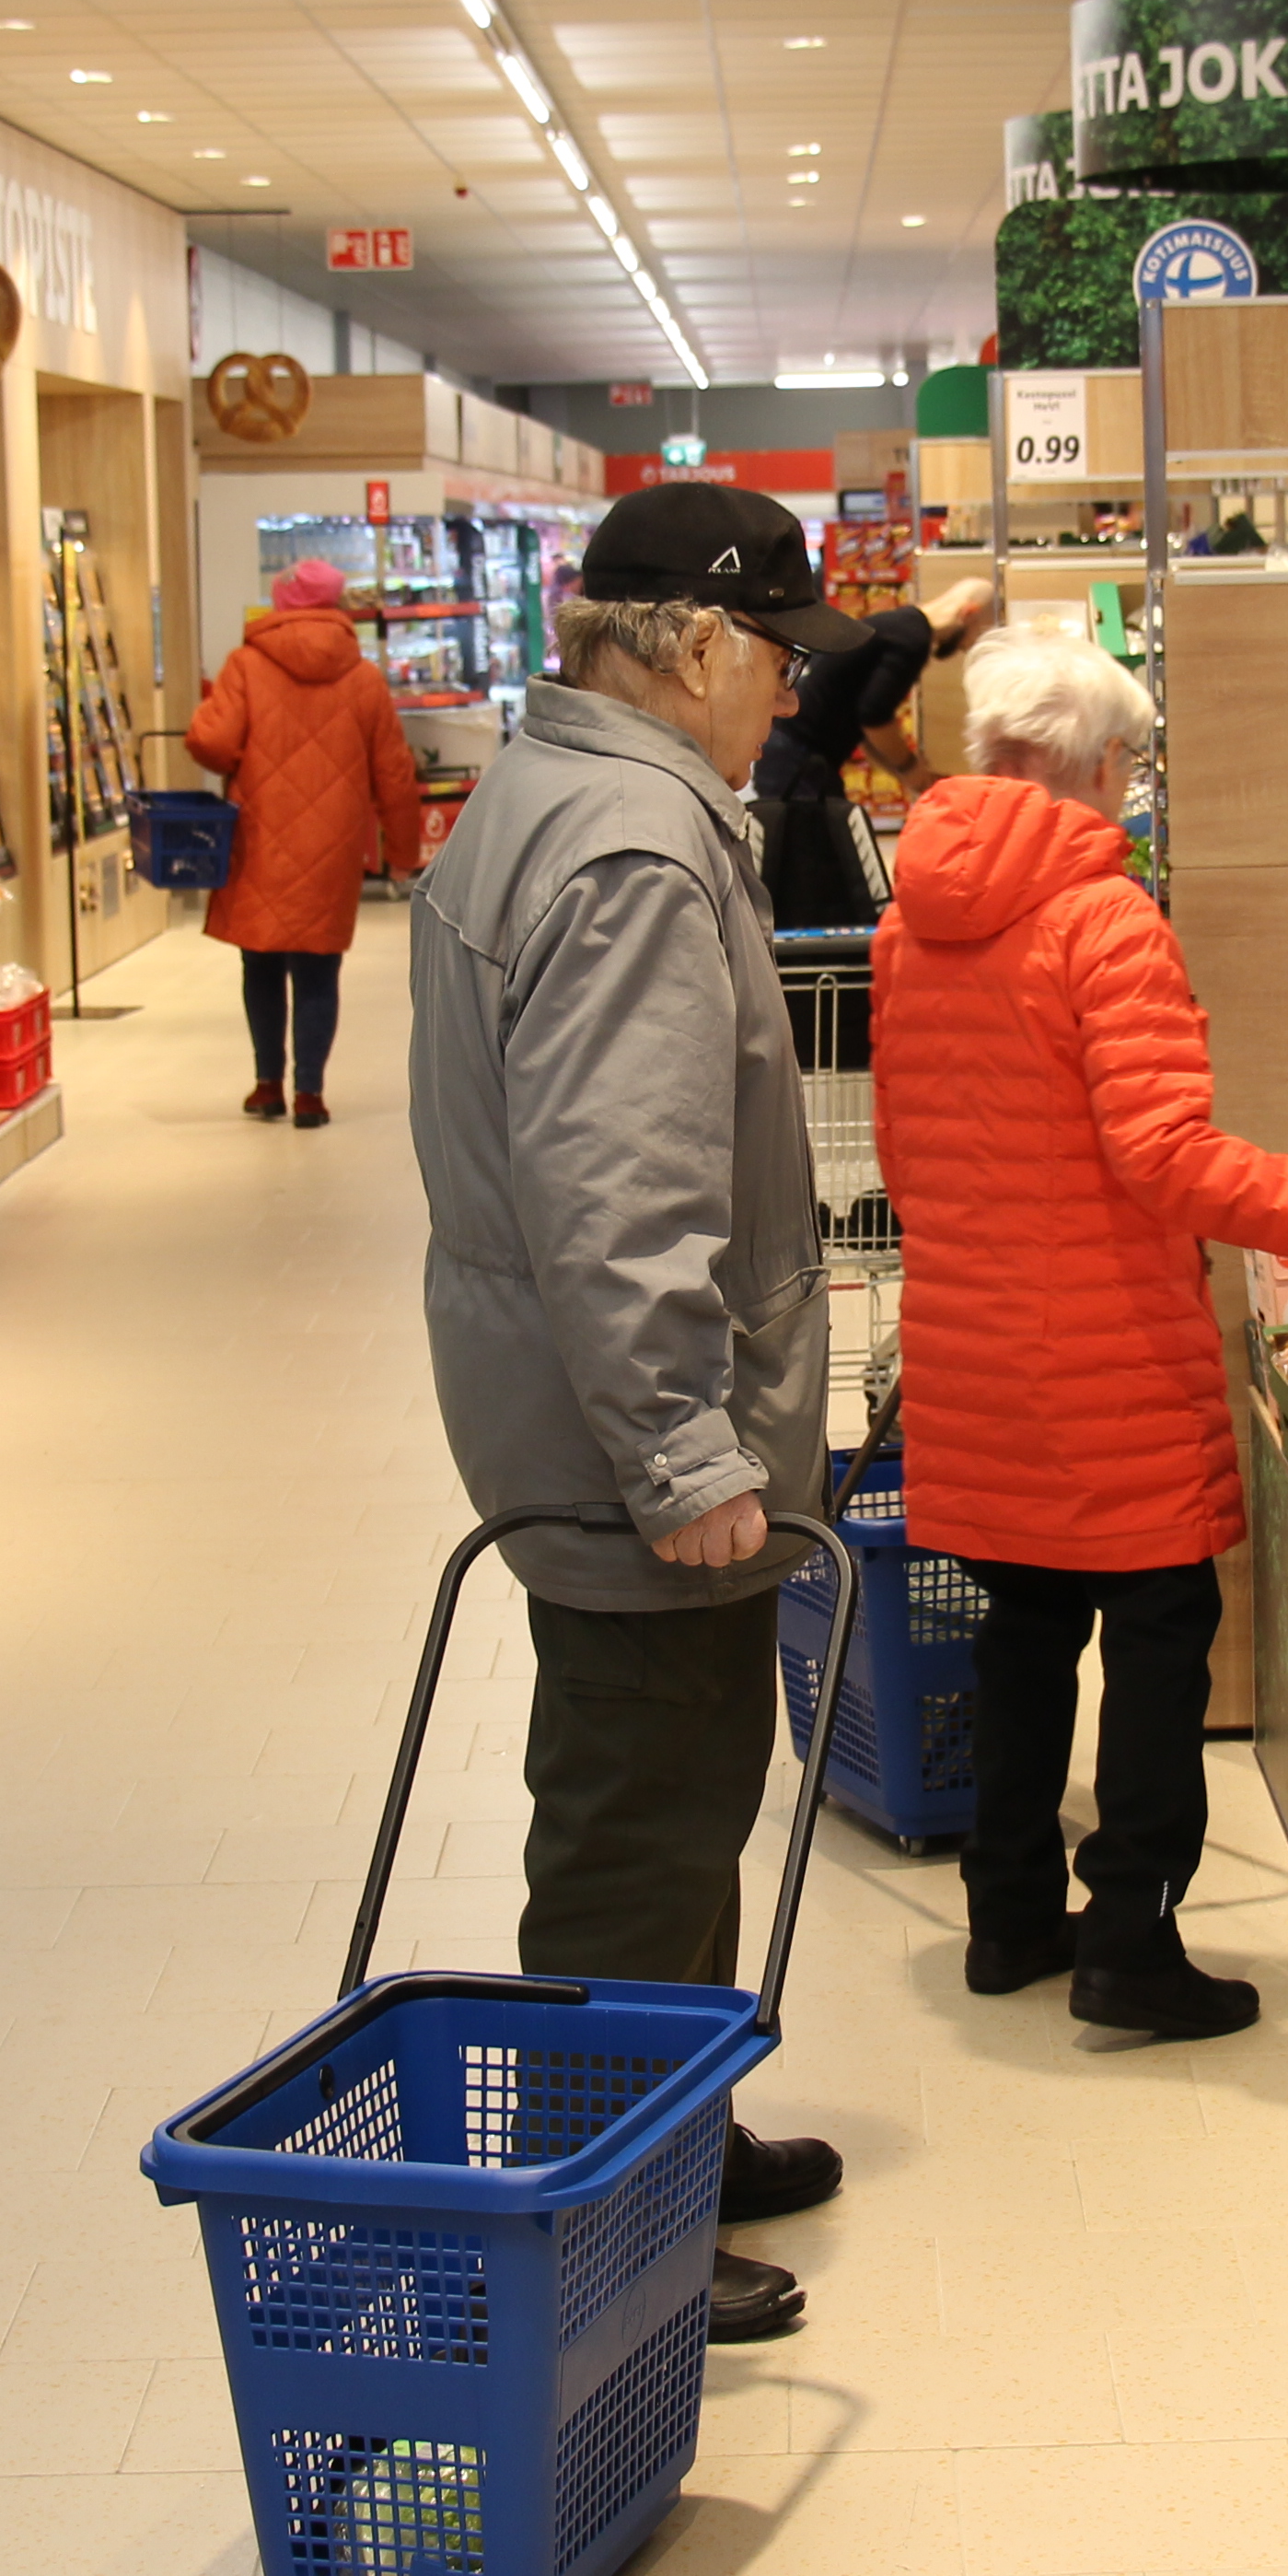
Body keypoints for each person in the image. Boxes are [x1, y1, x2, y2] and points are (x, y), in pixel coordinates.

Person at [407, 479, 868, 2345]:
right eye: (775, 656)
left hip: (578, 1418)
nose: (790, 697)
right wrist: (686, 1451)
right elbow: (622, 1193)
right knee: (630, 1834)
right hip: (631, 1450)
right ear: (692, 649)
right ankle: (607, 2234)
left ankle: (685, 2124)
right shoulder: (635, 854)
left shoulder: (565, 793)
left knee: (681, 1802)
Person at [869, 631, 1288, 2038]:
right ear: (1101, 763)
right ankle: (1134, 1946)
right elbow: (1168, 1159)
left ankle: (1008, 1920)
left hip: (973, 1354)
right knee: (1161, 1645)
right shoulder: (1106, 922)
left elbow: (907, 1156)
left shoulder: (907, 922)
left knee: (1021, 1637)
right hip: (1106, 1357)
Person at [185, 564, 423, 1129]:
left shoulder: (246, 665)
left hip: (260, 835)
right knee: (319, 969)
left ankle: (267, 1085)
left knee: (260, 963)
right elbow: (395, 773)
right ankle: (310, 1094)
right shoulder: (364, 678)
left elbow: (208, 741)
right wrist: (404, 853)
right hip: (332, 844)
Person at [750, 570, 999, 938]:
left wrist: (907, 774)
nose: (966, 648)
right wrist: (912, 770)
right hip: (799, 756)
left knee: (808, 852)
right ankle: (805, 948)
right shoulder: (913, 640)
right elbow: (874, 718)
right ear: (969, 613)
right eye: (977, 635)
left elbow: (862, 723)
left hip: (791, 750)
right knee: (811, 857)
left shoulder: (898, 626)